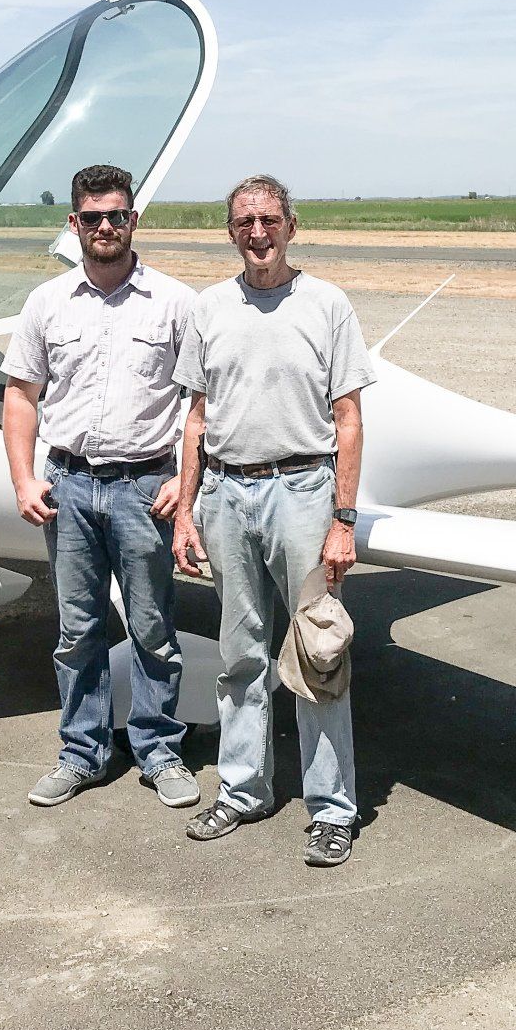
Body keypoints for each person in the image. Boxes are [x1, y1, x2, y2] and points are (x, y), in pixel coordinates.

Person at [171, 173, 373, 867]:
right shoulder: (209, 309)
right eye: (243, 223)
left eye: (269, 220)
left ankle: (332, 809)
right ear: (231, 232)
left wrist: (342, 520)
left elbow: (348, 421)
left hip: (303, 492)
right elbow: (196, 418)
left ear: (291, 225)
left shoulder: (326, 305)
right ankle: (242, 790)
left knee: (318, 652)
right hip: (227, 495)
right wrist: (188, 511)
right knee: (240, 655)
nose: (257, 234)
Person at [2, 163, 201, 809]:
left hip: (144, 488)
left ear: (134, 220)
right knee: (76, 630)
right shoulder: (47, 303)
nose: (106, 226)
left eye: (117, 214)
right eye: (93, 217)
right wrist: (24, 478)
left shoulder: (174, 303)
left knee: (150, 626)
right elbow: (21, 396)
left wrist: (184, 482)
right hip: (68, 485)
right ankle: (82, 754)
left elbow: (204, 403)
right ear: (74, 224)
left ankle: (159, 749)